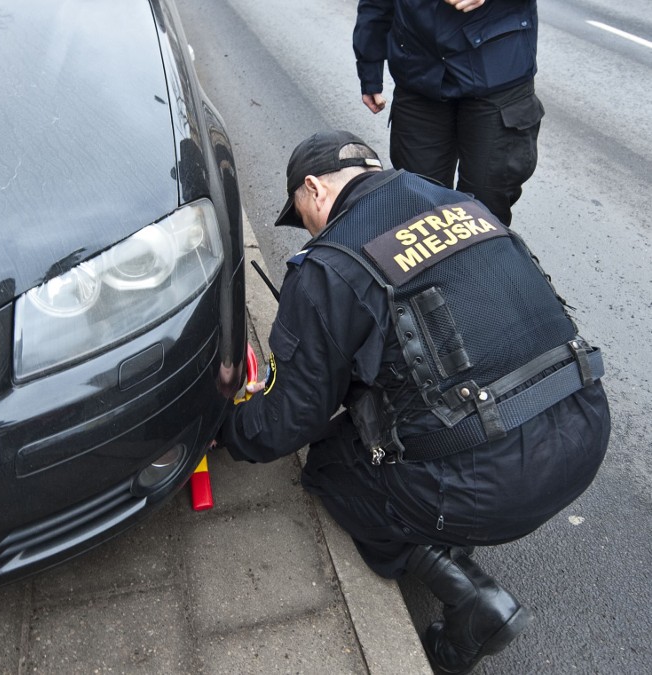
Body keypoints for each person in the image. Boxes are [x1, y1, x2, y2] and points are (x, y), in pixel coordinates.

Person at [216, 130, 610, 674]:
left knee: (331, 466)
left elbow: (289, 420)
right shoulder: (465, 206)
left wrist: (226, 427)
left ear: (313, 188)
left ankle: (470, 600)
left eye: (300, 212)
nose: (306, 226)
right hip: (585, 428)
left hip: (492, 488)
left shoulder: (330, 262)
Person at [353, 0, 544, 225]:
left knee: (485, 213)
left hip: (498, 71)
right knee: (418, 209)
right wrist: (369, 68)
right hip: (419, 71)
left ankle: (480, 259)